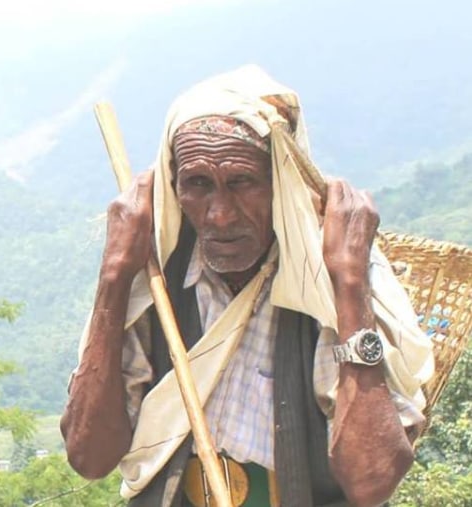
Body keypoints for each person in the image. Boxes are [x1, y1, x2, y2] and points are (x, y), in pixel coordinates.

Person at [61, 66, 433, 507]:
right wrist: (114, 275)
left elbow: (372, 483)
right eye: (198, 184)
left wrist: (350, 288)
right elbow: (89, 457)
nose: (219, 215)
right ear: (174, 185)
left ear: (282, 181)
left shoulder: (331, 275)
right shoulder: (156, 274)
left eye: (242, 183)